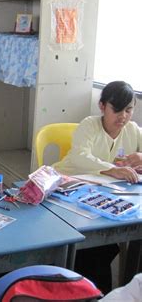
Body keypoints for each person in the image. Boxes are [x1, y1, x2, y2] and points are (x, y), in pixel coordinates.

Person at [53, 80, 142, 293]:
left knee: (102, 247)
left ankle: (94, 290)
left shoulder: (133, 130)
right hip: (68, 187)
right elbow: (79, 156)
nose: (123, 116)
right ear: (102, 106)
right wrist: (112, 169)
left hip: (104, 196)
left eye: (129, 110)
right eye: (117, 109)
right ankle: (83, 288)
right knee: (92, 247)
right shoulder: (89, 125)